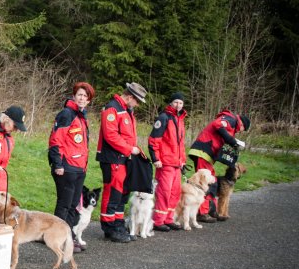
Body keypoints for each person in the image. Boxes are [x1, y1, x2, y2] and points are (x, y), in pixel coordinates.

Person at [96, 82, 148, 243]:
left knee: (121, 194)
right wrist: (129, 149)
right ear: (130, 97)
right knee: (112, 193)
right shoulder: (113, 109)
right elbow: (111, 135)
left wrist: (135, 149)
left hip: (123, 158)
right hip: (113, 158)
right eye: (137, 101)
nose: (137, 105)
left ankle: (118, 224)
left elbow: (128, 135)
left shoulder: (126, 110)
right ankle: (109, 227)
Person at [49, 82, 95, 253]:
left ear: (89, 100)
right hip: (66, 167)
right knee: (64, 204)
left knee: (74, 205)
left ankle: (69, 236)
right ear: (74, 95)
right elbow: (56, 140)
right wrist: (57, 164)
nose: (82, 98)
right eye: (80, 95)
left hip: (79, 168)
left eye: (86, 96)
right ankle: (58, 239)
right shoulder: (67, 114)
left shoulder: (82, 116)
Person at [188, 109, 250, 222]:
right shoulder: (231, 120)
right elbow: (217, 124)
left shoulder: (231, 124)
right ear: (242, 125)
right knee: (205, 182)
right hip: (203, 150)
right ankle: (202, 212)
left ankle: (212, 210)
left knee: (213, 181)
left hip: (207, 153)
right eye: (243, 130)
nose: (241, 131)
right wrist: (231, 140)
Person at [148, 92, 188, 232]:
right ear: (171, 103)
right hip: (165, 163)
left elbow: (181, 144)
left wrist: (182, 160)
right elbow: (154, 140)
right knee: (164, 192)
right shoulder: (164, 118)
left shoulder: (180, 119)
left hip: (176, 163)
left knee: (175, 193)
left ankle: (168, 219)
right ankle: (158, 221)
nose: (178, 105)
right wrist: (156, 158)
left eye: (181, 103)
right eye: (176, 102)